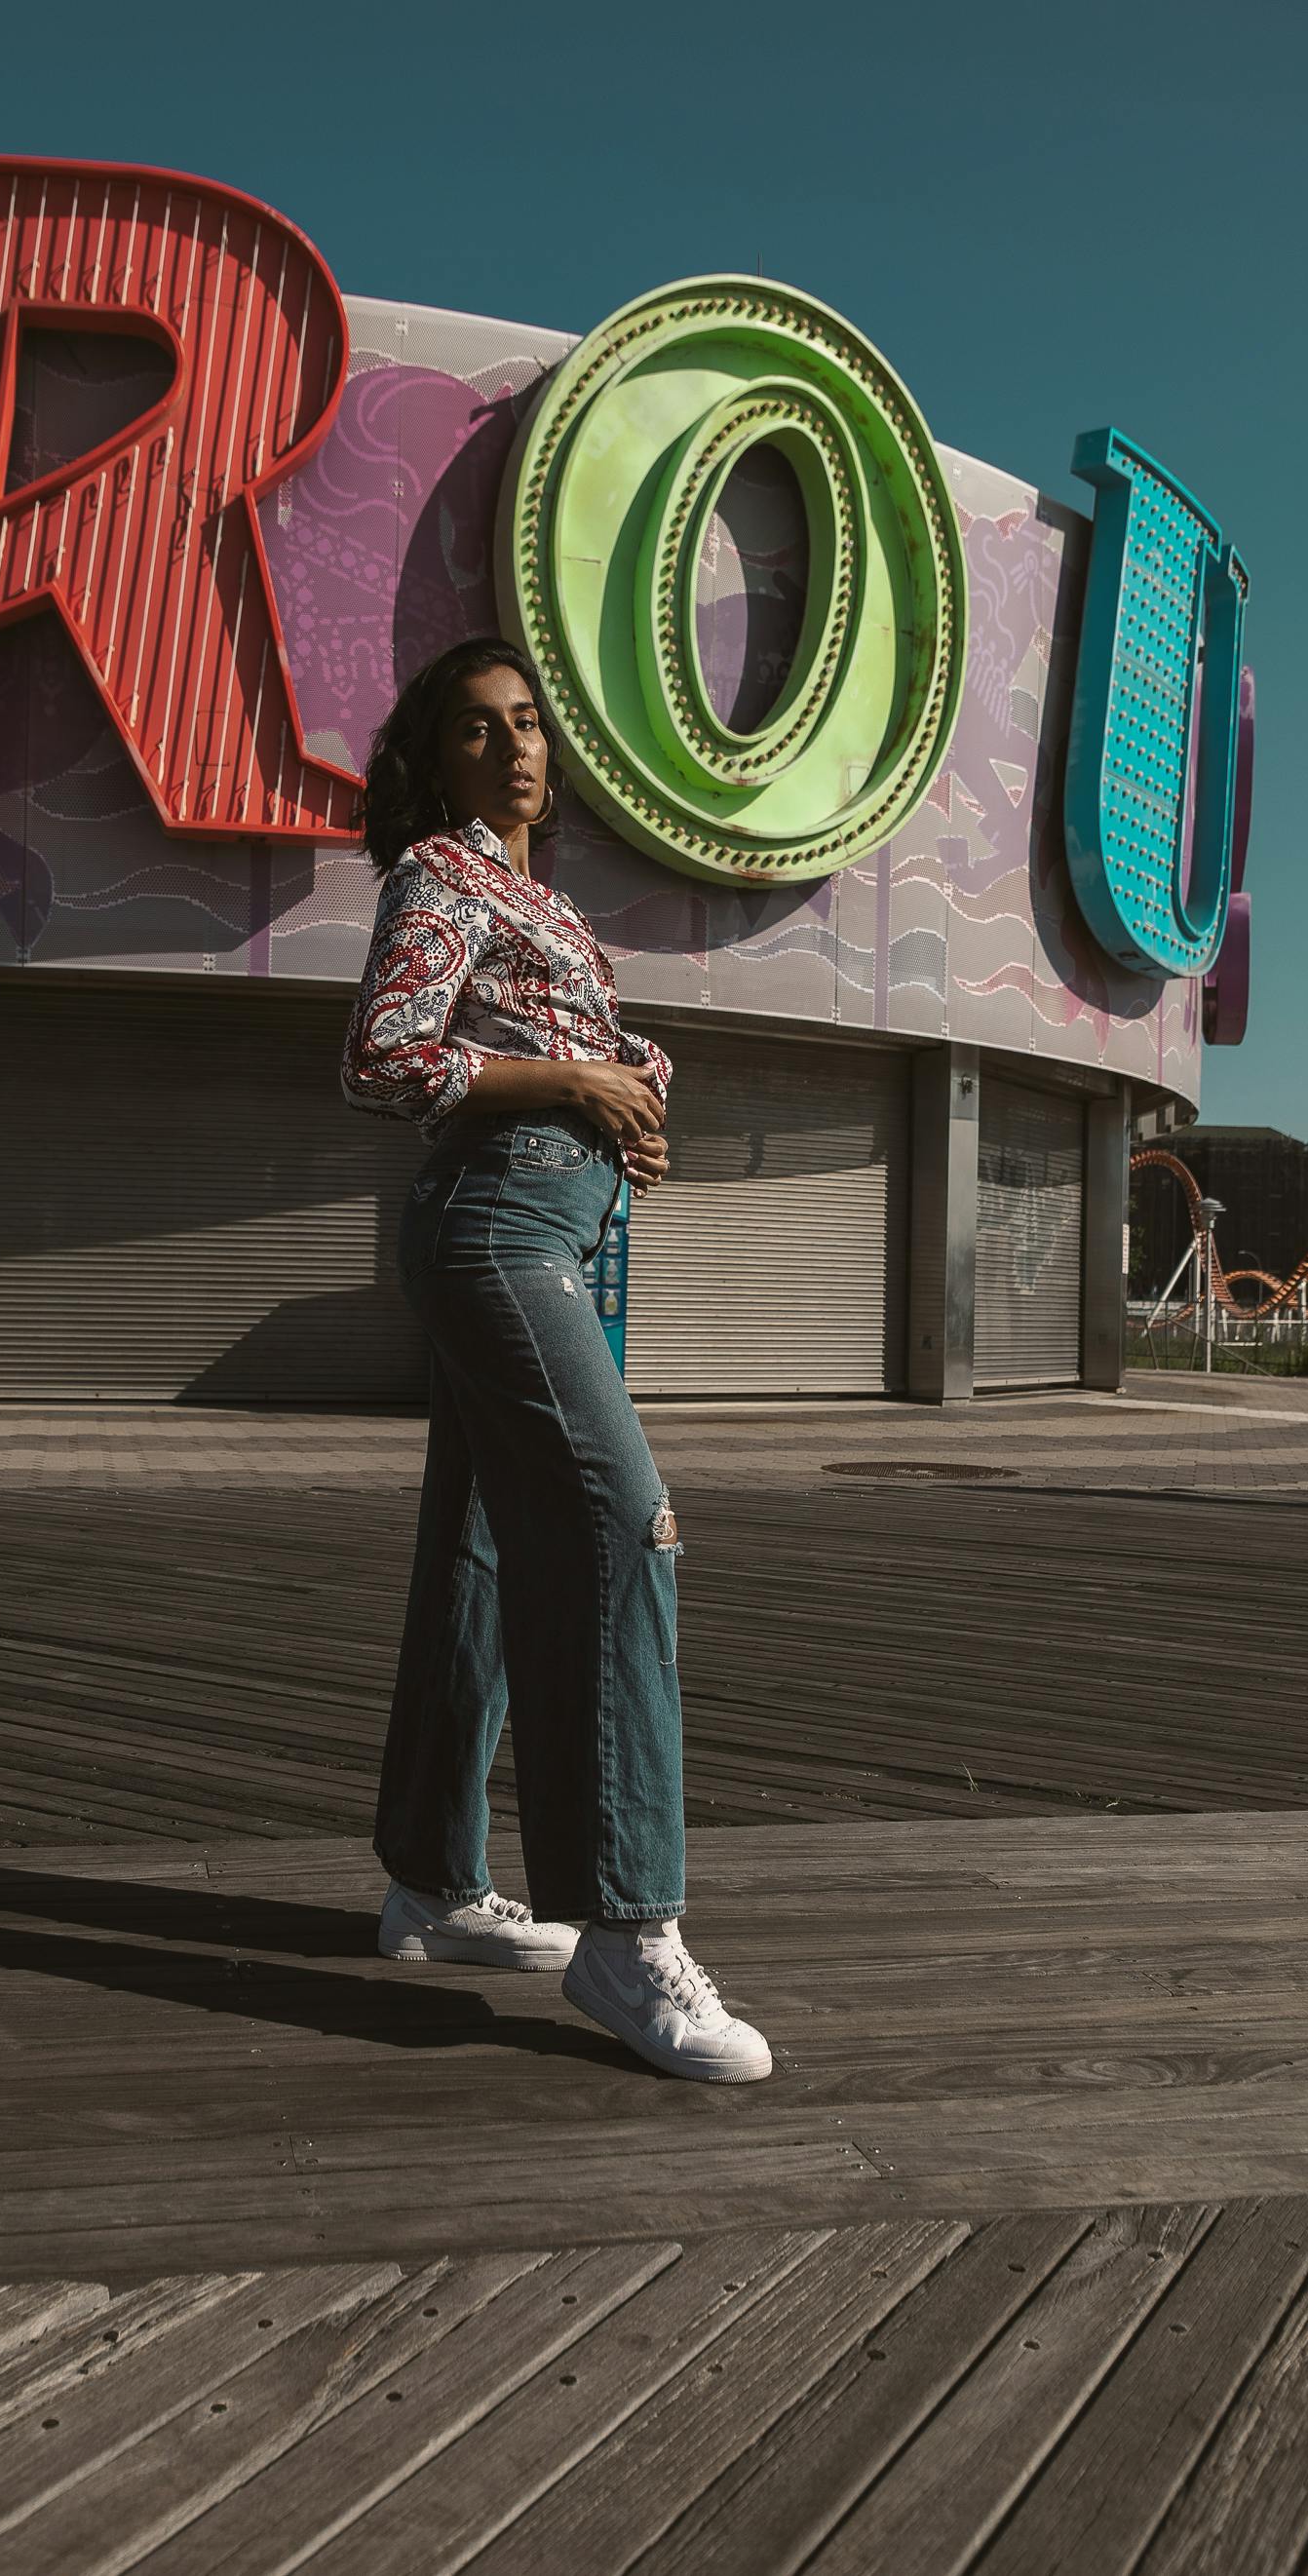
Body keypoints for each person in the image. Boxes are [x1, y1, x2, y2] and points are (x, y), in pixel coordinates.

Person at [340, 636, 771, 2085]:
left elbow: (559, 1041)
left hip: (564, 1233)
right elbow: (385, 1055)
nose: (515, 747)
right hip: (498, 1227)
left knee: (473, 1556)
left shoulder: (545, 906)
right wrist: (582, 1082)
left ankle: (434, 1883)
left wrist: (628, 1086)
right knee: (618, 1527)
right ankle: (627, 1926)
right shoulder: (440, 877)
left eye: (527, 722)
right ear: (436, 760)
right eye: (477, 729)